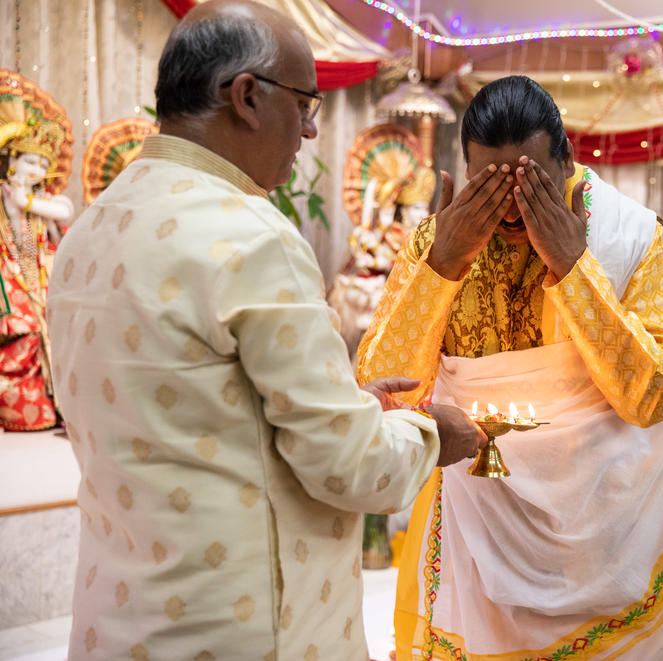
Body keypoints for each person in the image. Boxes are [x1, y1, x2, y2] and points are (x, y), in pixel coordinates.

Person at [47, 2, 486, 659]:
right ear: (247, 96)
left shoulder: (88, 230)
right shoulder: (250, 236)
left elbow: (194, 423)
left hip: (121, 622)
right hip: (243, 631)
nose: (311, 130)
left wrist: (353, 408)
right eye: (307, 103)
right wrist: (434, 429)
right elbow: (351, 468)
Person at [357, 75, 663, 660]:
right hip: (478, 527)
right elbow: (386, 393)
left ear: (567, 162)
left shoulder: (626, 236)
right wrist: (441, 265)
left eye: (529, 182)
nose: (509, 207)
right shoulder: (438, 240)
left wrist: (574, 267)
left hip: (611, 532)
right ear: (465, 172)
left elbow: (653, 395)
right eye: (488, 184)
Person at [0, 89, 74, 431]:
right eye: (30, 161)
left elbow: (66, 211)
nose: (37, 169)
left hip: (42, 279)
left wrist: (27, 202)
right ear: (10, 159)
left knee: (54, 335)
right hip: (9, 279)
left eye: (43, 165)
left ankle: (50, 405)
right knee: (23, 334)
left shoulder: (43, 200)